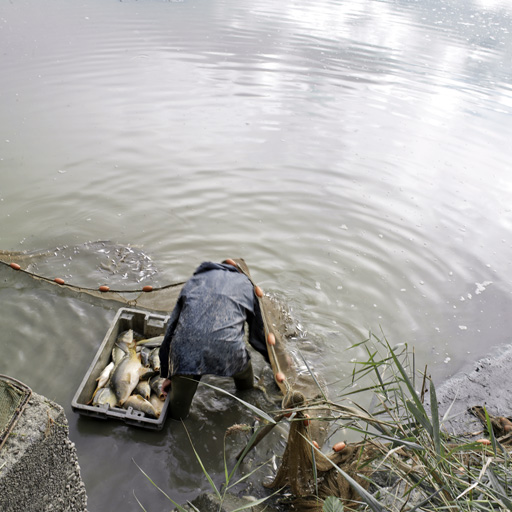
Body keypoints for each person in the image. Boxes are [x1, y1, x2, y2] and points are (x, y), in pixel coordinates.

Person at [159, 260, 269, 420]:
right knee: (245, 382)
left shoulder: (193, 282)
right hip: (229, 352)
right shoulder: (246, 285)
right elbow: (257, 336)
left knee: (177, 416)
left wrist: (168, 374)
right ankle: (246, 395)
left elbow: (171, 329)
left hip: (186, 354)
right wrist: (273, 362)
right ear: (240, 273)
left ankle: (177, 422)